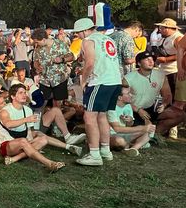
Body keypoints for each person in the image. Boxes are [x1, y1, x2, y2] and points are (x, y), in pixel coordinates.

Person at [73, 17, 122, 166]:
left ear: (84, 30)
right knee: (102, 116)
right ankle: (105, 151)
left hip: (100, 82)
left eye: (78, 33)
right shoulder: (108, 39)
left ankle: (94, 154)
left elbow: (90, 62)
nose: (78, 36)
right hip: (114, 81)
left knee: (89, 118)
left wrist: (84, 81)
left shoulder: (88, 41)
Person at [0, 86, 65, 172]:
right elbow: (8, 124)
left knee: (43, 139)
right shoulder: (5, 110)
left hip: (23, 142)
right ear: (13, 97)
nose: (24, 95)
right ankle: (50, 164)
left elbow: (29, 131)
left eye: (25, 92)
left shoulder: (28, 110)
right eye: (20, 93)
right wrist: (26, 119)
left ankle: (15, 158)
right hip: (7, 146)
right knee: (23, 141)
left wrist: (31, 143)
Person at [32, 28, 74, 108]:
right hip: (45, 80)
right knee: (43, 102)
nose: (36, 44)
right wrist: (37, 67)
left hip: (59, 79)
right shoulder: (38, 49)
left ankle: (56, 118)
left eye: (37, 42)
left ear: (44, 39)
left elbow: (71, 57)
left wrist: (62, 59)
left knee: (58, 104)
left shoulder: (60, 44)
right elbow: (35, 62)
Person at [108, 86, 155, 156]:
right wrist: (142, 128)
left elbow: (129, 126)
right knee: (119, 141)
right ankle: (130, 145)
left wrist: (129, 121)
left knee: (150, 130)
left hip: (124, 134)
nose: (131, 95)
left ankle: (133, 148)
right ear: (119, 97)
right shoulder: (111, 108)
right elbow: (117, 129)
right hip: (112, 135)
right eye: (128, 93)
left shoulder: (128, 106)